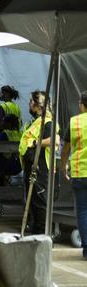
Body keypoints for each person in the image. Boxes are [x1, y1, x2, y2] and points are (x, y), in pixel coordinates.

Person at [19, 90, 58, 234]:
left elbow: (55, 139)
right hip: (32, 168)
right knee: (34, 204)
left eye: (31, 102)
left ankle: (43, 235)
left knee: (40, 203)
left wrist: (35, 143)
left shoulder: (47, 122)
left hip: (40, 170)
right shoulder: (36, 122)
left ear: (38, 106)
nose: (29, 104)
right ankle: (37, 233)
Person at [62, 90, 87, 260]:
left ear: (82, 104)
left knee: (83, 211)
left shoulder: (75, 122)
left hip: (80, 173)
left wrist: (63, 166)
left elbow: (65, 149)